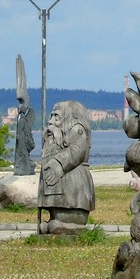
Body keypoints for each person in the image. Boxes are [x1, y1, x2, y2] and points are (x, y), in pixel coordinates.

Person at [37, 100, 94, 234]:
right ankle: (58, 223)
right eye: (51, 117)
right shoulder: (55, 137)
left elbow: (76, 151)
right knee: (58, 213)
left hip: (74, 190)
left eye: (56, 117)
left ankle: (68, 225)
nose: (50, 122)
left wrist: (59, 162)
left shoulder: (77, 130)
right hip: (58, 189)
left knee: (68, 213)